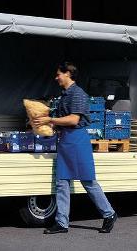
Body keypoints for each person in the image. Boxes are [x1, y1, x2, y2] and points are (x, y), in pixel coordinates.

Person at [34, 62, 118, 234]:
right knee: (62, 182)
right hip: (66, 141)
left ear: (68, 74)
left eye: (59, 74)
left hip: (77, 140)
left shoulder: (77, 94)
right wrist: (46, 126)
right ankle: (62, 223)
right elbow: (63, 121)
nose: (56, 77)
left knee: (88, 181)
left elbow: (73, 120)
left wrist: (50, 120)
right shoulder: (65, 95)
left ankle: (109, 214)